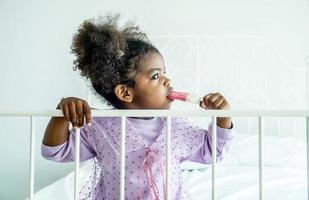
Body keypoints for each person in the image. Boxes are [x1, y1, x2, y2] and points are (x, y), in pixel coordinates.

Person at [42, 14, 235, 200]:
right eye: (156, 76)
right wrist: (61, 113)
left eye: (164, 73)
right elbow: (55, 151)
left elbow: (213, 151)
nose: (167, 80)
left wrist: (222, 117)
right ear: (125, 93)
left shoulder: (176, 126)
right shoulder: (100, 127)